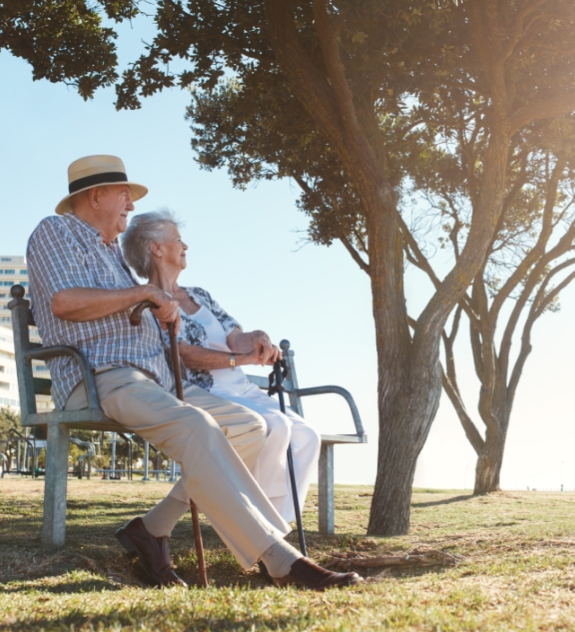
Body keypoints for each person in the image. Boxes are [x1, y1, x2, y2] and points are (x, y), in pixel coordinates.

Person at [26, 155, 360, 590]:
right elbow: (63, 302)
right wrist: (145, 293)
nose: (130, 203)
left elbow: (137, 310)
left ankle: (150, 529)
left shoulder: (113, 254)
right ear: (95, 196)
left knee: (247, 428)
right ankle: (280, 558)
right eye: (124, 194)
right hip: (103, 375)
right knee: (199, 426)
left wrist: (163, 319)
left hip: (156, 380)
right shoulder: (56, 231)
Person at [121, 210, 320, 525]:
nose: (185, 246)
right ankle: (259, 521)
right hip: (206, 391)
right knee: (277, 428)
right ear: (156, 248)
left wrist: (258, 340)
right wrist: (239, 360)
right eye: (178, 240)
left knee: (308, 434)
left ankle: (278, 522)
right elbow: (182, 354)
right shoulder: (151, 303)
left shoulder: (200, 295)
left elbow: (235, 336)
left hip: (241, 387)